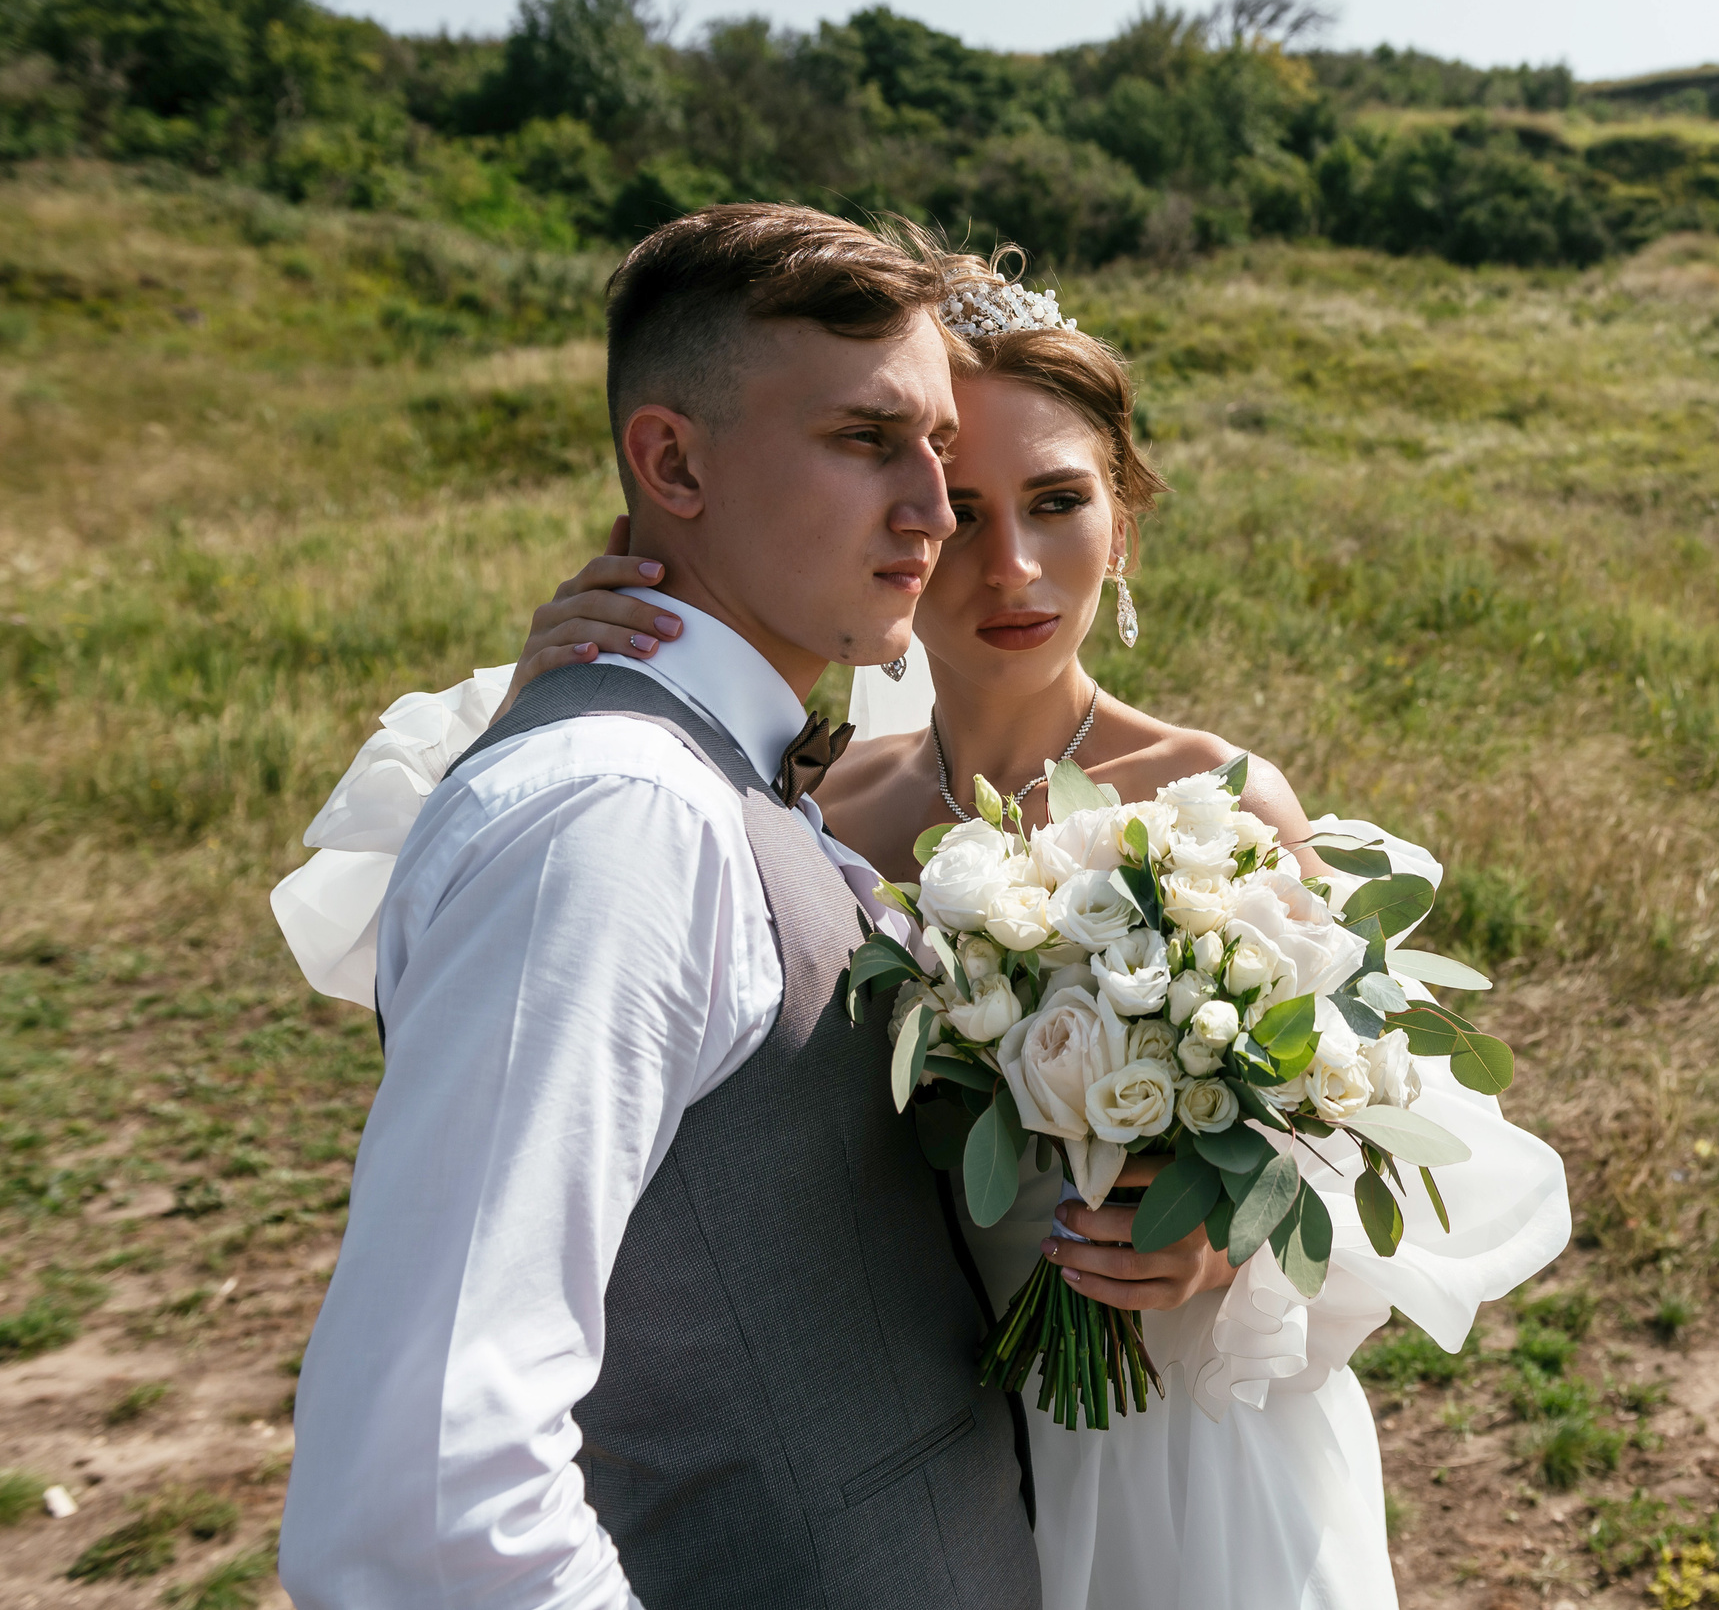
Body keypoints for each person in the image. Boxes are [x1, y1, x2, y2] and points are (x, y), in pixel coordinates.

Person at [278, 243, 1571, 1609]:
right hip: (920, 1447)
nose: (1003, 561)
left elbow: (1339, 1135)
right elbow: (557, 869)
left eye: (1060, 501)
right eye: (958, 500)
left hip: (1166, 1447)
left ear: (1121, 521)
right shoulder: (812, 796)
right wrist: (551, 681)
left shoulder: (1219, 805)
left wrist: (1213, 1240)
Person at [276, 205, 1042, 1610]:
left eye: (938, 445)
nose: (936, 508)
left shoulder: (709, 771)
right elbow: (430, 1491)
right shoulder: (620, 815)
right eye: (869, 441)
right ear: (672, 461)